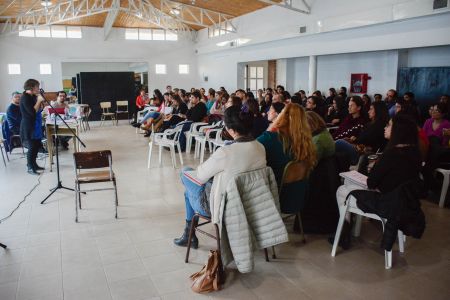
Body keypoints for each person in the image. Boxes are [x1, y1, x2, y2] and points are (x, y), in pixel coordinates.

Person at [174, 106, 266, 248]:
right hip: (250, 203)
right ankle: (188, 235)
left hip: (223, 206)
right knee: (191, 188)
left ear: (230, 129)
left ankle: (189, 235)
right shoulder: (260, 147)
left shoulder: (226, 152)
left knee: (185, 173)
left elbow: (200, 176)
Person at [332, 114, 423, 250]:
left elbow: (372, 183)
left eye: (389, 125)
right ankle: (349, 228)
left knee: (342, 189)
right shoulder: (415, 152)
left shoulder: (392, 153)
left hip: (386, 202)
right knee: (350, 185)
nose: (385, 128)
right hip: (404, 201)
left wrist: (372, 168)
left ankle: (344, 231)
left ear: (398, 130)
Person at [257, 103, 316, 186]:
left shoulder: (270, 138)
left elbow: (253, 148)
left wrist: (274, 125)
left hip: (275, 191)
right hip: (299, 192)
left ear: (281, 117)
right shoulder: (306, 141)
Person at [20, 79, 45, 175]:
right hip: (29, 126)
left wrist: (40, 101)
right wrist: (39, 100)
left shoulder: (32, 96)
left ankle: (34, 164)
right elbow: (32, 112)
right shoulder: (25, 97)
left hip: (36, 125)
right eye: (37, 87)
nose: (38, 89)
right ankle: (30, 167)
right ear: (31, 87)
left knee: (36, 146)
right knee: (31, 147)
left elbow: (39, 109)